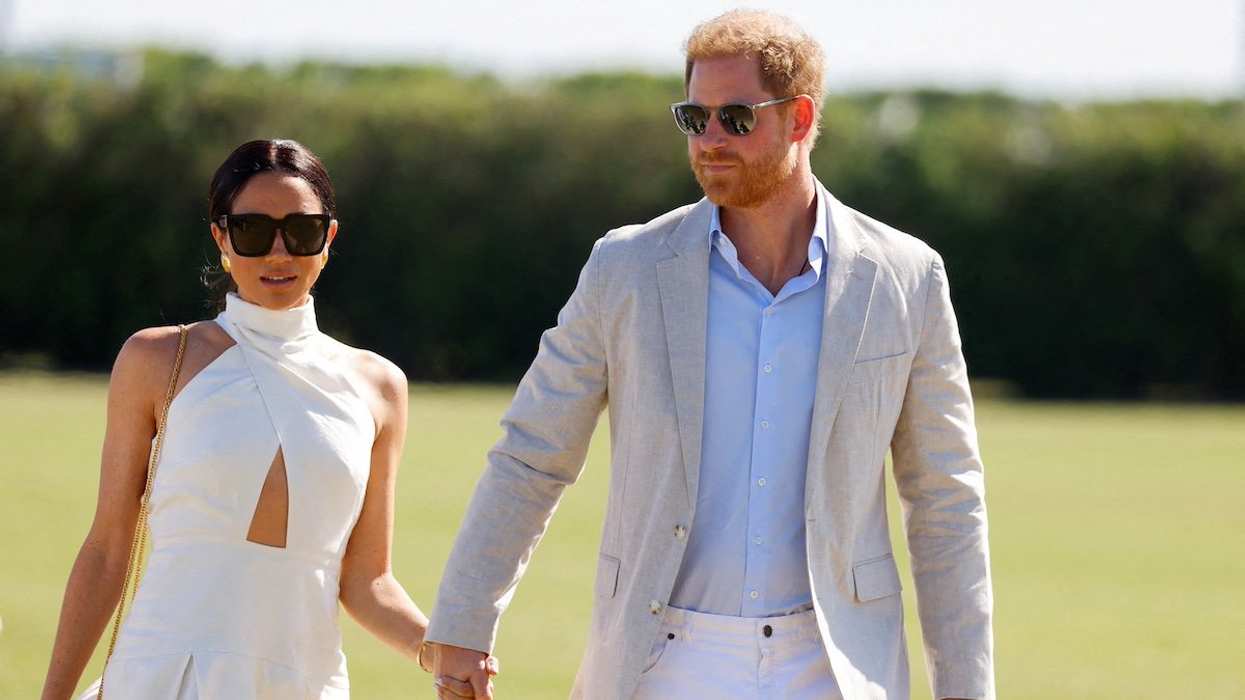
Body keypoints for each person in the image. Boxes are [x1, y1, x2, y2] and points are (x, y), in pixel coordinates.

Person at [424, 9, 994, 700]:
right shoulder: (626, 267)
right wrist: (462, 621)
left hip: (834, 667)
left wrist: (964, 687)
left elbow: (944, 500)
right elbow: (531, 454)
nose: (710, 139)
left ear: (800, 117)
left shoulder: (906, 276)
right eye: (695, 119)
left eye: (735, 117)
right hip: (658, 661)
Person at [40, 139, 487, 699]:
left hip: (305, 681)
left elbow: (366, 580)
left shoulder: (379, 386)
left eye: (300, 230)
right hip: (162, 677)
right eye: (253, 230)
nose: (279, 252)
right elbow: (108, 550)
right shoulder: (155, 360)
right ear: (221, 237)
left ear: (328, 239)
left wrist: (441, 651)